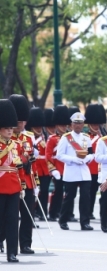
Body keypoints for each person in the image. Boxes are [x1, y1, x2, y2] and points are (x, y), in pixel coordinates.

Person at [9, 94, 40, 255]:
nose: (21, 124)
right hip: (12, 180)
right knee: (10, 216)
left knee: (28, 215)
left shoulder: (29, 137)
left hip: (27, 180)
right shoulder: (6, 137)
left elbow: (32, 164)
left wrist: (36, 184)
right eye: (18, 121)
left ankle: (25, 244)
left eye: (23, 121)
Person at [57, 112, 94, 231]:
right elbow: (59, 155)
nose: (78, 126)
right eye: (75, 123)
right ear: (71, 124)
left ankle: (85, 222)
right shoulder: (66, 138)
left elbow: (91, 154)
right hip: (71, 171)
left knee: (85, 198)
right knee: (69, 197)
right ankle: (63, 220)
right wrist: (74, 160)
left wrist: (86, 159)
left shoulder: (86, 138)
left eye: (80, 123)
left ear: (83, 124)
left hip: (84, 172)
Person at [0, 99, 26, 263]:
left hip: (14, 186)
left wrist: (22, 184)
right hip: (0, 185)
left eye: (11, 128)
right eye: (7, 128)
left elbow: (19, 167)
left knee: (12, 220)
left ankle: (12, 252)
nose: (10, 131)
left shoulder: (17, 145)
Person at [26, 108, 49, 221]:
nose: (39, 129)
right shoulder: (28, 137)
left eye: (40, 127)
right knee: (33, 193)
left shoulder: (45, 137)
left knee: (44, 191)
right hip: (33, 168)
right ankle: (33, 212)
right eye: (37, 126)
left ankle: (43, 211)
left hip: (44, 168)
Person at [46, 105, 69, 221]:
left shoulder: (69, 138)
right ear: (56, 126)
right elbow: (48, 155)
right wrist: (53, 169)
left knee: (68, 193)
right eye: (61, 125)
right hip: (58, 169)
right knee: (58, 191)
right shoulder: (52, 139)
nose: (64, 127)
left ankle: (64, 212)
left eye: (65, 125)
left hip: (68, 168)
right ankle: (53, 212)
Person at [85, 104, 107, 219]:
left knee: (105, 193)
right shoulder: (86, 137)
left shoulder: (105, 136)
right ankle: (89, 212)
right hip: (91, 169)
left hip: (102, 168)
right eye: (93, 124)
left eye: (97, 124)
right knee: (91, 193)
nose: (96, 126)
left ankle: (105, 214)